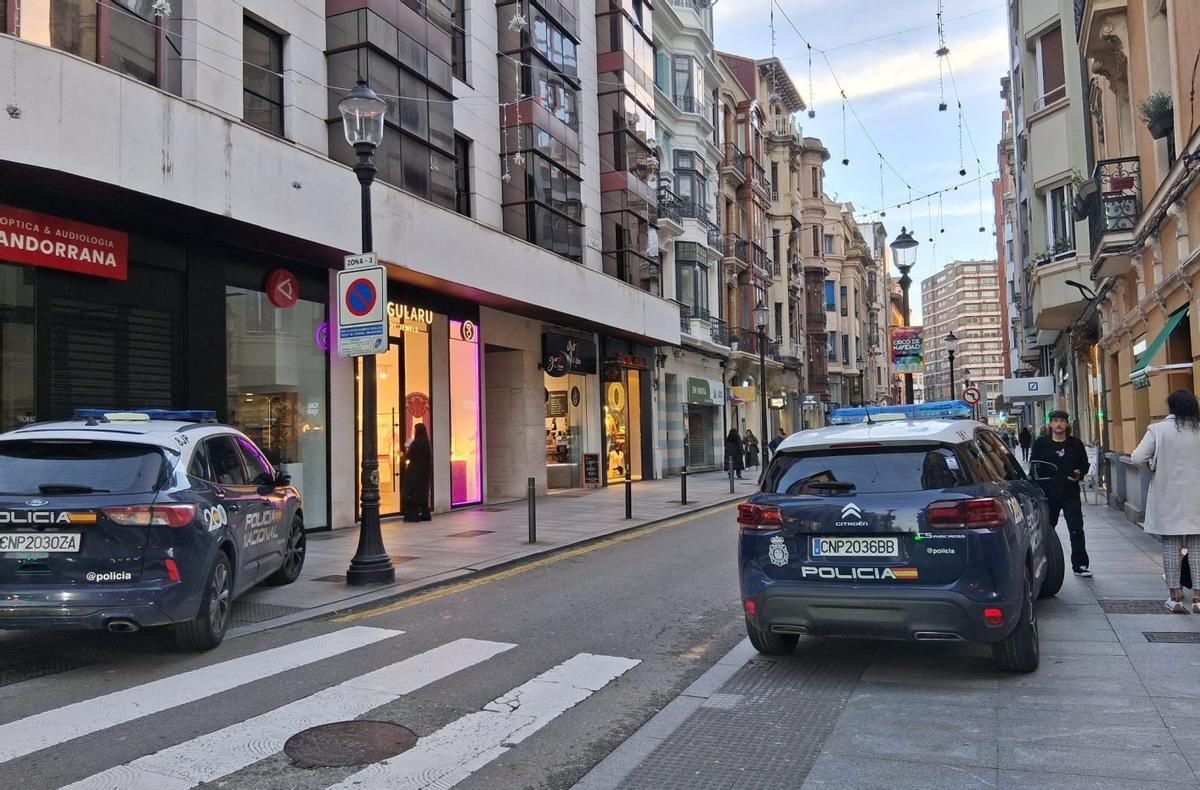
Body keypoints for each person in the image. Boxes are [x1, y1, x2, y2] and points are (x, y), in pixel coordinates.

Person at [1130, 390, 1200, 613]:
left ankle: (1175, 596)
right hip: (1197, 497)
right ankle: (1198, 598)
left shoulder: (1158, 430)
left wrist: (1152, 468)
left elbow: (1137, 457)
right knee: (1197, 547)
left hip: (1168, 496)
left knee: (1171, 546)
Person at [1031, 410, 1091, 577]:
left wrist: (1079, 472)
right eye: (1055, 421)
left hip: (1070, 492)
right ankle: (1046, 563)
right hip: (1049, 493)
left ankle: (1080, 565)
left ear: (1067, 424)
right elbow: (1034, 466)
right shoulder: (1041, 444)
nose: (1059, 424)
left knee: (1076, 528)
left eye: (1062, 421)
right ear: (1050, 424)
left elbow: (1084, 464)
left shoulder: (1075, 444)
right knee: (1047, 529)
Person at [402, 423, 432, 522]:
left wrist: (404, 451)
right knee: (422, 493)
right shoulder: (426, 443)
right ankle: (425, 514)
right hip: (424, 472)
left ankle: (413, 515)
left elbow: (409, 456)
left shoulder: (416, 443)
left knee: (413, 493)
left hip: (414, 471)